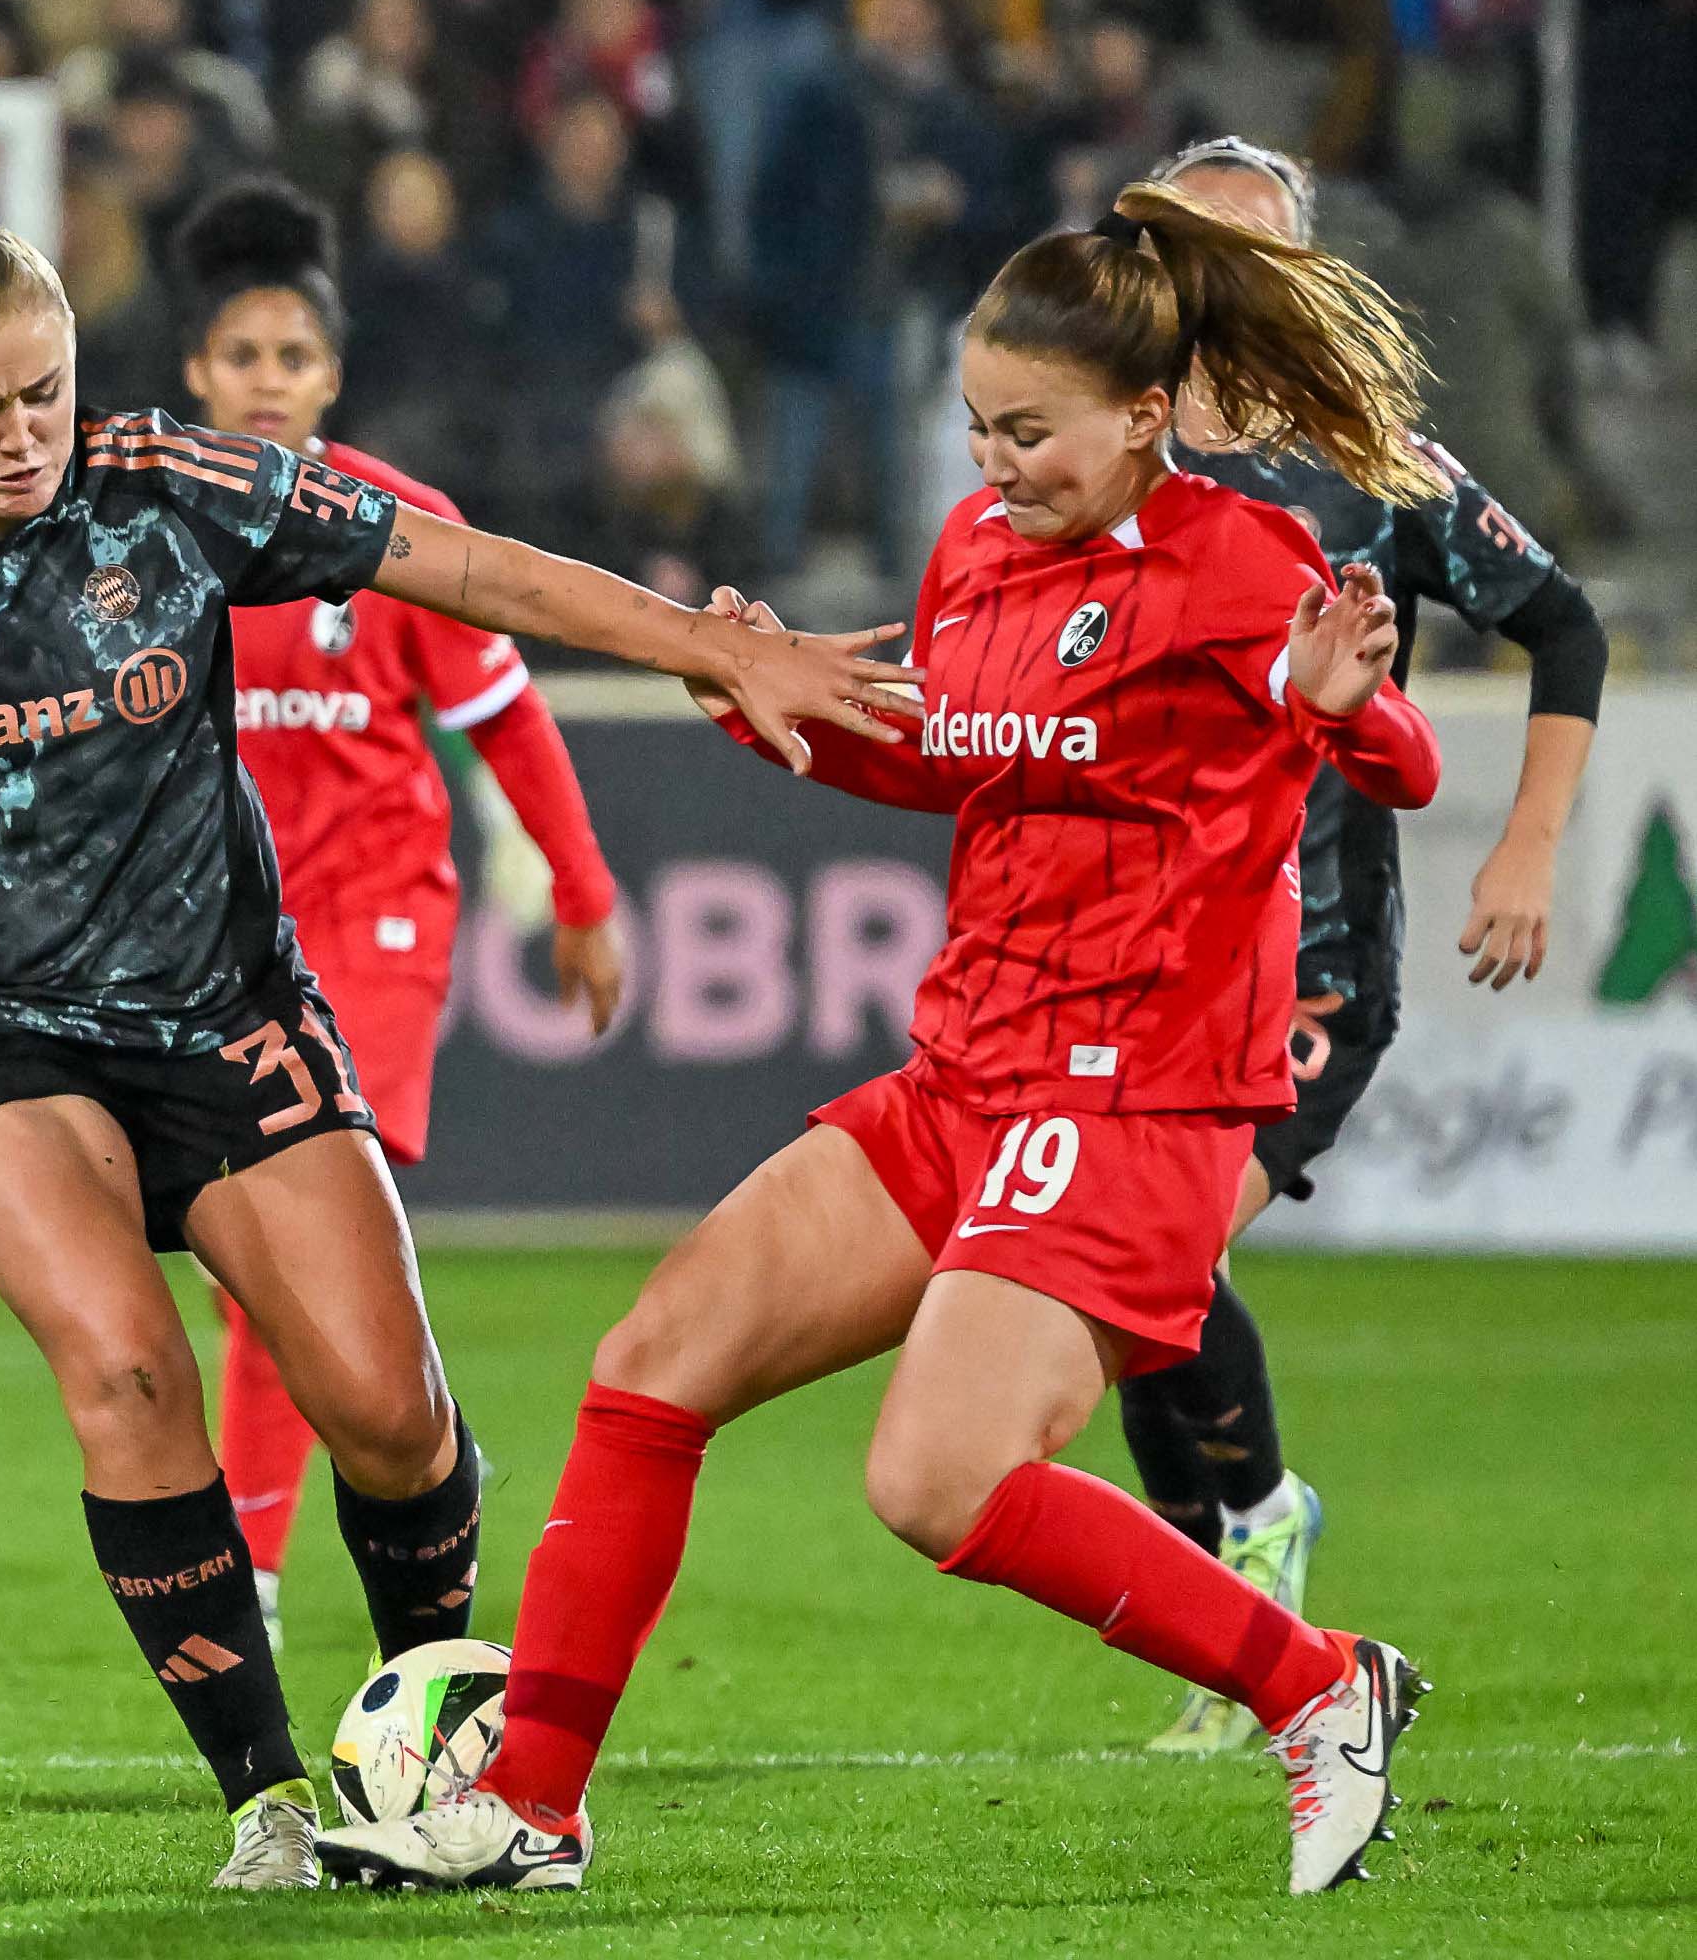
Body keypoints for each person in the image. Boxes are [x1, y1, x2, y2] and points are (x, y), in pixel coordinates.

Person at [0, 194, 914, 1889]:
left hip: (223, 1013)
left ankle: (436, 1750)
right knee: (125, 1367)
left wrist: (705, 640)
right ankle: (262, 1801)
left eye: (45, 389)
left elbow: (464, 568)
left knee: (392, 1419)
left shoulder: (182, 489)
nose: (24, 433)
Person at [315, 179, 1446, 1900]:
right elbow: (950, 760)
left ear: (1149, 419)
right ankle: (528, 1807)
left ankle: (1317, 1688)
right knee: (652, 1365)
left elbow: (1396, 759)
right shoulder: (981, 553)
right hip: (972, 1068)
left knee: (935, 1478)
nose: (1000, 463)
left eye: (1037, 432)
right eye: (980, 426)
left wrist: (1344, 711)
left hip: (1137, 1091)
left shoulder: (1238, 564)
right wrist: (768, 707)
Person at [1117, 136, 1610, 1755]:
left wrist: (1528, 844)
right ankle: (1221, 1597)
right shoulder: (1102, 458)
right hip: (1137, 952)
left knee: (1159, 1251)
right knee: (1116, 1284)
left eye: (1255, 252)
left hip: (1310, 964)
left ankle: (1256, 1526)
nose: (1222, 283)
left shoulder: (1369, 465)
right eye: (1195, 249)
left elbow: (1565, 624)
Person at [166, 178, 625, 1656]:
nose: (268, 382)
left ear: (331, 374)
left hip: (374, 928)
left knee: (286, 1244)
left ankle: (259, 1568)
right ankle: (427, 1458)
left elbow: (506, 716)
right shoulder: (157, 526)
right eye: (242, 356)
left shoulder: (396, 526)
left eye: (293, 358)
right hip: (216, 943)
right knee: (276, 1261)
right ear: (198, 371)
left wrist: (584, 888)